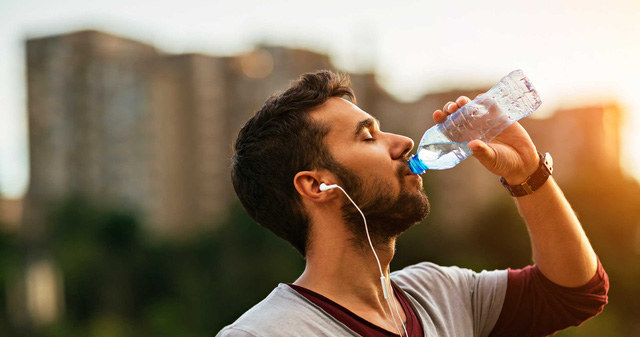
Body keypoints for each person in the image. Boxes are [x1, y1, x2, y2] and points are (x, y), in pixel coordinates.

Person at [217, 71, 608, 337]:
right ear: (317, 185)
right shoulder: (267, 332)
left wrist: (528, 176)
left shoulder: (439, 292)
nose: (403, 141)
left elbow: (574, 292)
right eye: (368, 137)